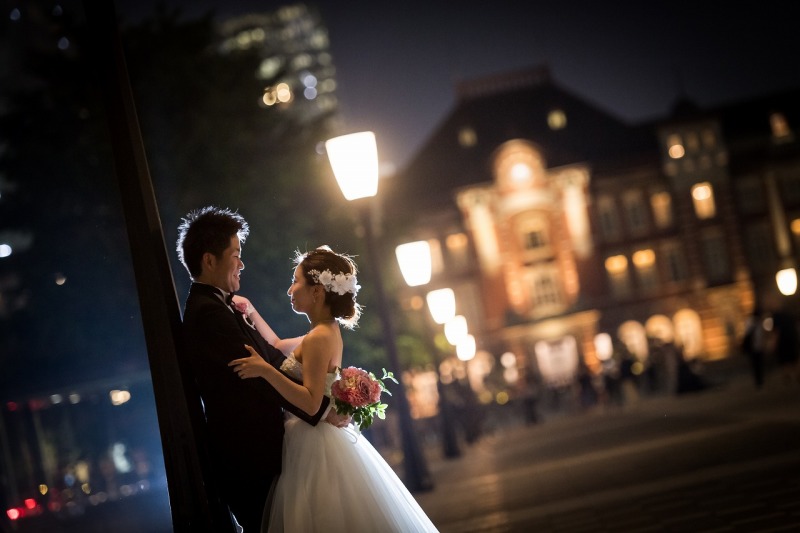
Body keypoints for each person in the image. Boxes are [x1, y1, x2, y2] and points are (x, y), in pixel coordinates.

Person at [229, 246, 439, 532]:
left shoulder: (318, 338)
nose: (290, 290)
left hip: (312, 443)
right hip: (316, 436)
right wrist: (249, 310)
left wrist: (265, 371)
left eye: (296, 281)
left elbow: (312, 402)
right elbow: (277, 345)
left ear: (317, 292)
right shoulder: (325, 331)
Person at [177, 207, 335, 532]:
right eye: (235, 255)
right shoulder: (209, 313)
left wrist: (319, 399)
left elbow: (270, 361)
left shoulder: (222, 305)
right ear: (209, 261)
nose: (241, 263)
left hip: (261, 449)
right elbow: (259, 377)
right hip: (247, 455)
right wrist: (317, 410)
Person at [741, 307, 766, 389]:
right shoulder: (755, 322)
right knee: (757, 364)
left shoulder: (752, 321)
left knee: (757, 364)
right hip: (755, 346)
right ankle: (759, 380)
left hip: (755, 347)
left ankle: (759, 380)